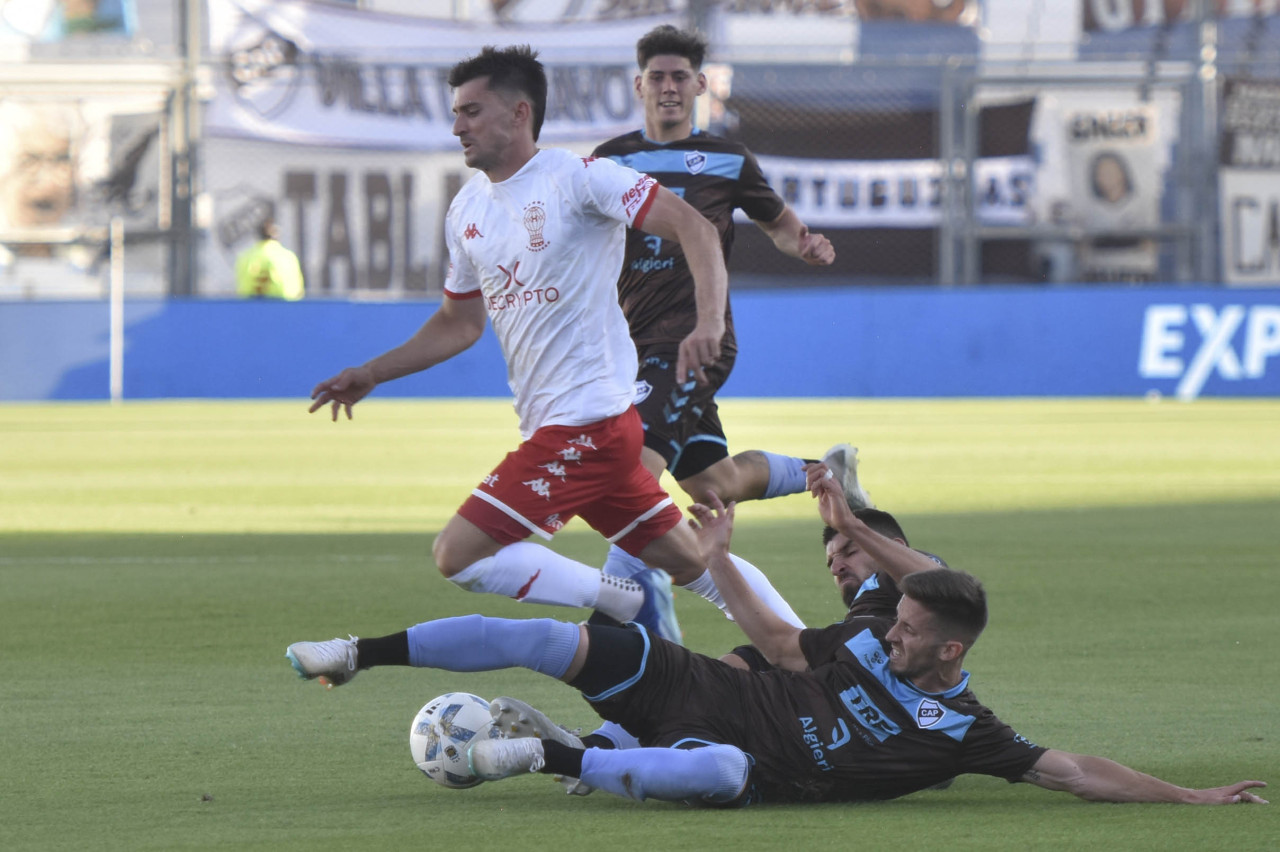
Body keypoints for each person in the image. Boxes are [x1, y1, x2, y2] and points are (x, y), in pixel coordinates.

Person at [285, 494, 1267, 807]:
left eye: (911, 630)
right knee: (550, 637)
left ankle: (552, 758)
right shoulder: (868, 634)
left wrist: (1187, 798)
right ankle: (355, 653)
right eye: (894, 617)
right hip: (696, 681)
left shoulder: (959, 727)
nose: (891, 630)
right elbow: (771, 639)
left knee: (713, 772)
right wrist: (718, 560)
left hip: (730, 755)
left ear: (950, 648)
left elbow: (1073, 768)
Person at [307, 45, 774, 647]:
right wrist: (374, 372)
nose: (457, 127)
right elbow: (459, 323)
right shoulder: (467, 209)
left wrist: (707, 322)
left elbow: (696, 226)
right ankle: (802, 648)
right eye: (455, 113)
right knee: (689, 561)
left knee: (458, 555)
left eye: (471, 111)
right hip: (564, 425)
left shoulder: (579, 179)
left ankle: (622, 602)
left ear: (519, 113)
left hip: (588, 424)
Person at [592, 25, 836, 509]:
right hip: (630, 342)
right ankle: (826, 476)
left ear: (700, 85)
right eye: (657, 77)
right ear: (639, 85)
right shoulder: (609, 161)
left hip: (696, 341)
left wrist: (803, 244)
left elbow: (782, 227)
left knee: (632, 471)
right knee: (714, 484)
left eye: (680, 77)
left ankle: (632, 586)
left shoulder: (729, 160)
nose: (669, 88)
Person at [235, 217, 304, 301]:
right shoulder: (287, 257)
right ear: (277, 235)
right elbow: (297, 291)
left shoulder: (245, 257)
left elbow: (242, 289)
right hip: (283, 307)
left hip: (251, 308)